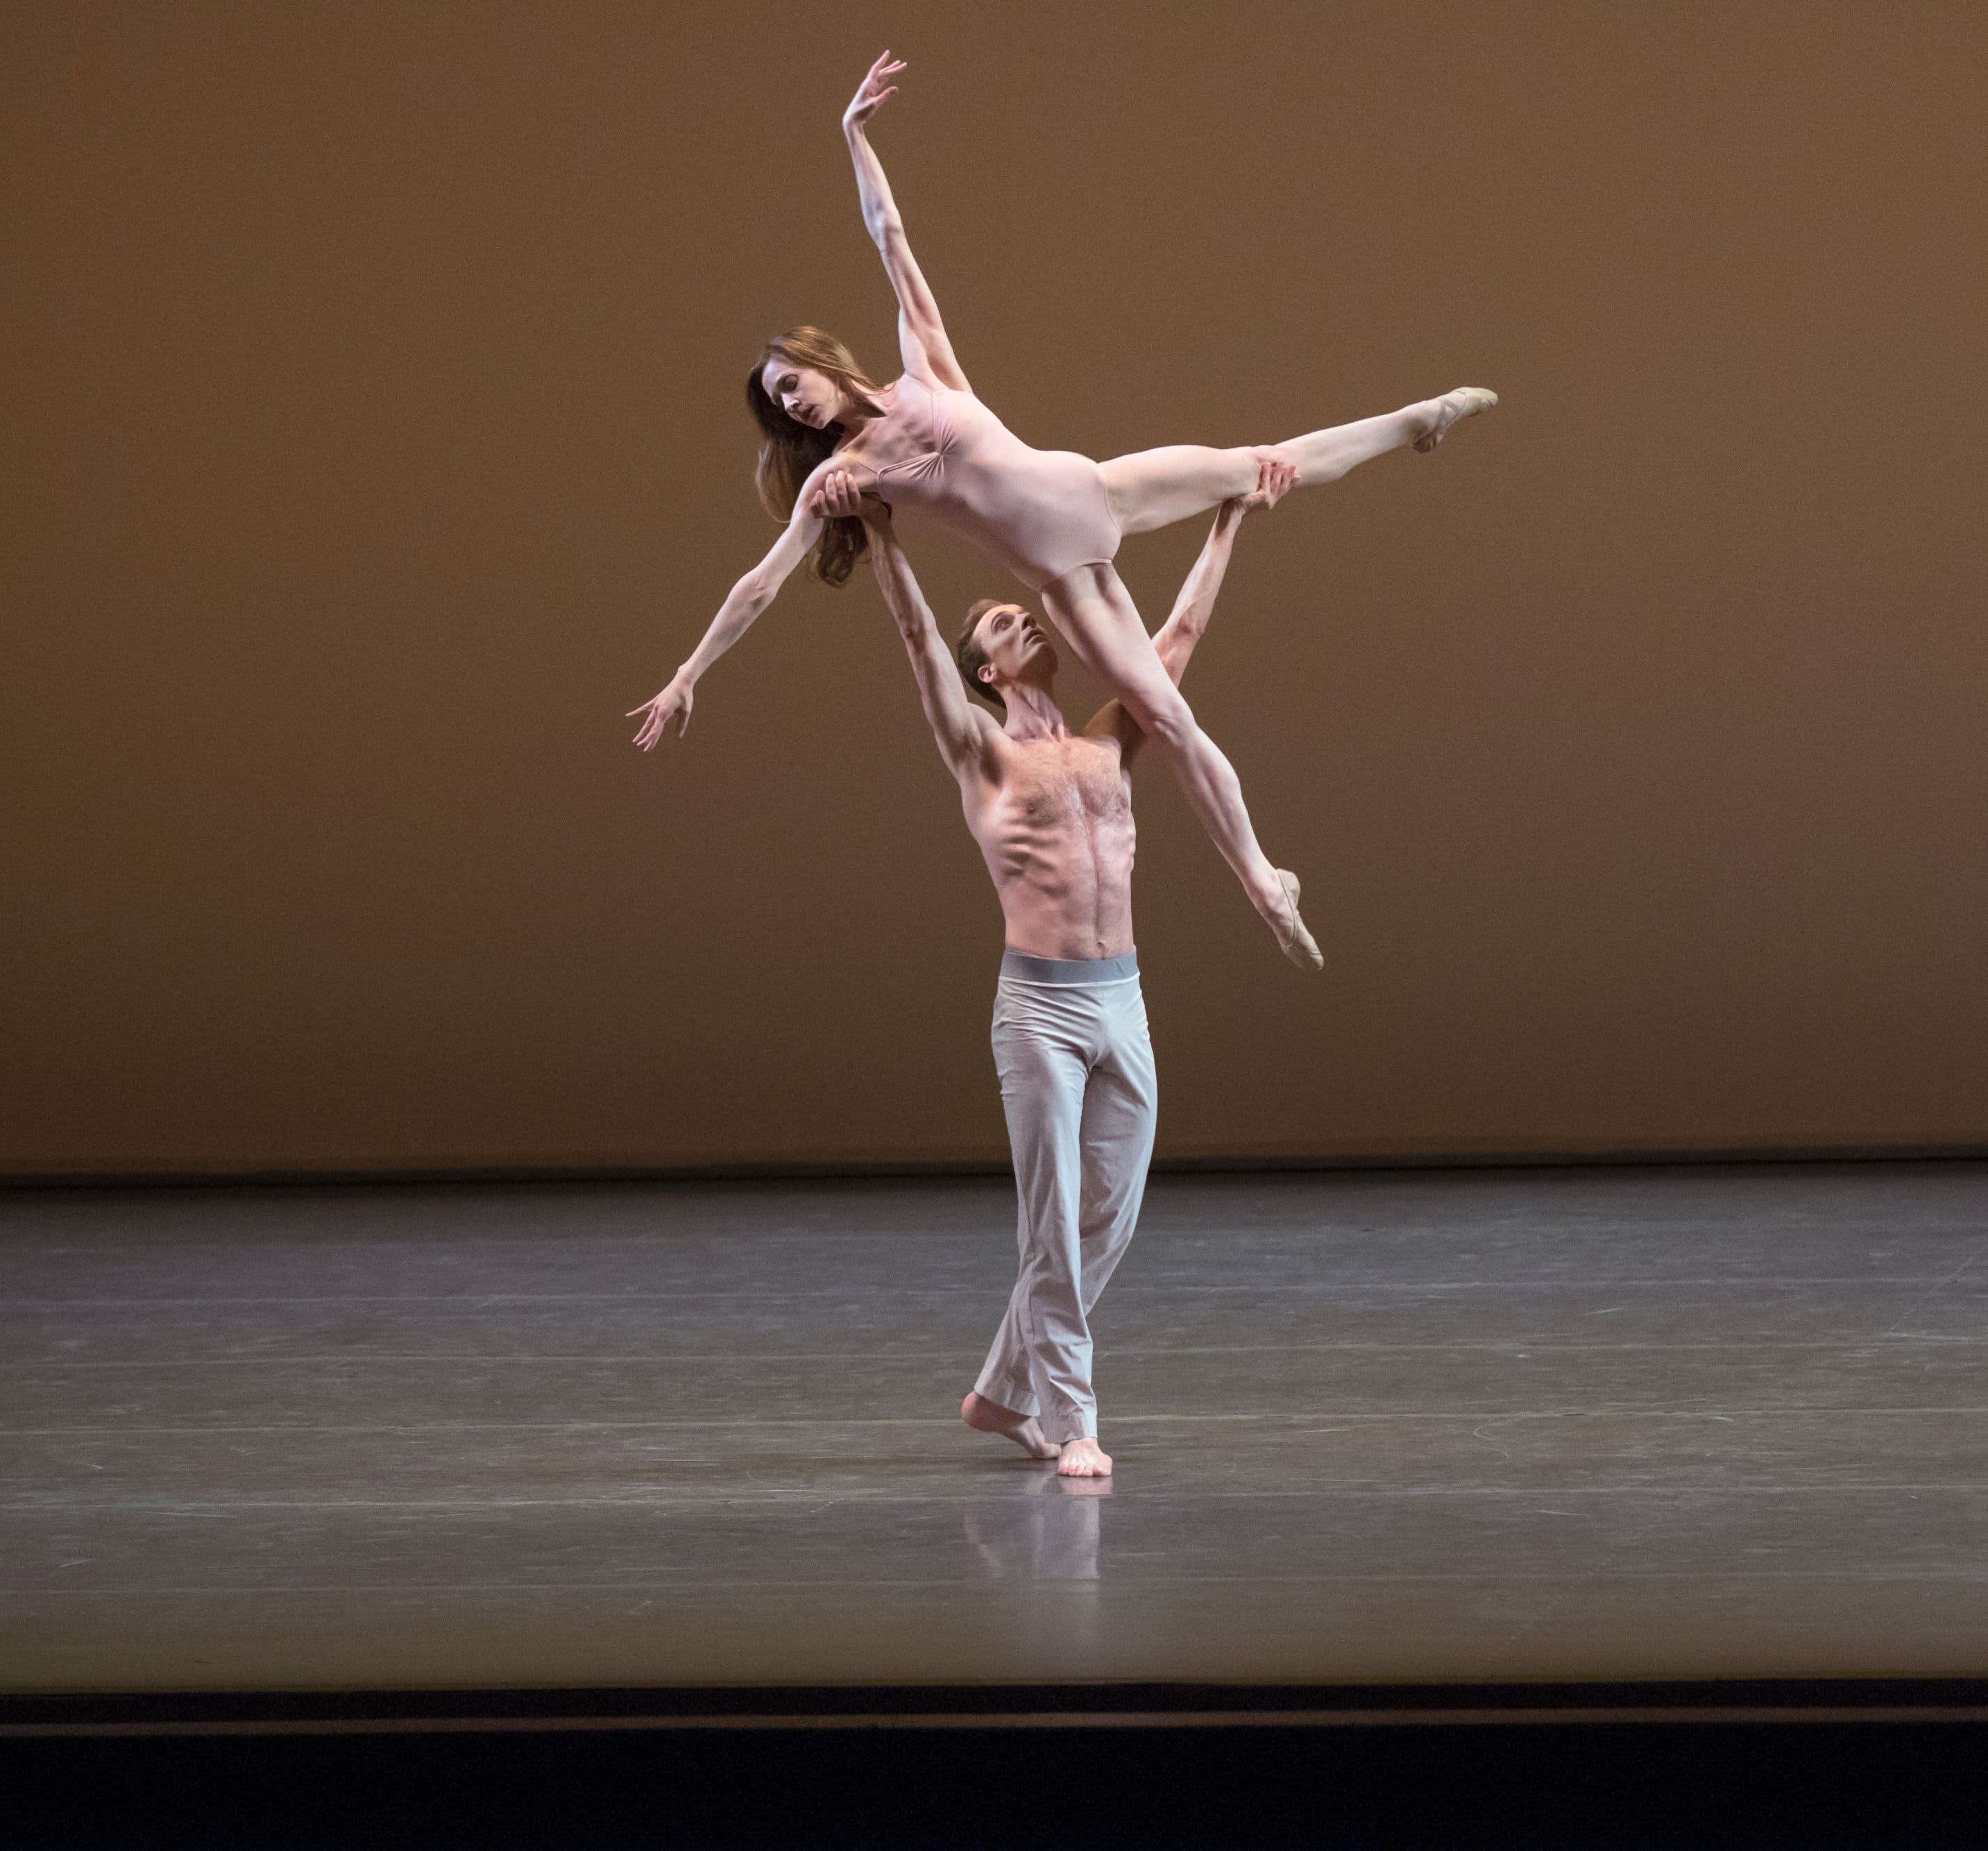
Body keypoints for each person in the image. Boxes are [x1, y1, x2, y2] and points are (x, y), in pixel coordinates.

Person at [630, 51, 1497, 971]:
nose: (793, 404)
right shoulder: (842, 482)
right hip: (1062, 579)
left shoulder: (924, 367)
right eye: (780, 404)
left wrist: (851, 135)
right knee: (1166, 720)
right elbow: (758, 586)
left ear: (817, 360)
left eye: (790, 383)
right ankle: (1263, 882)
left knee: (1261, 464)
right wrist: (689, 672)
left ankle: (1417, 421)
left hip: (1097, 488)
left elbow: (891, 233)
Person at [858, 493, 1257, 1478]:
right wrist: (880, 536)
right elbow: (916, 638)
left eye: (1021, 609)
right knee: (1054, 1222)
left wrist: (1230, 522)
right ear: (986, 671)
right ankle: (1071, 1419)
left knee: (1104, 1215)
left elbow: (1181, 635)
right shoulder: (983, 754)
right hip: (1039, 1008)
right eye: (1001, 623)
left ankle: (999, 1395)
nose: (1023, 617)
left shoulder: (1108, 737)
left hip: (1122, 998)